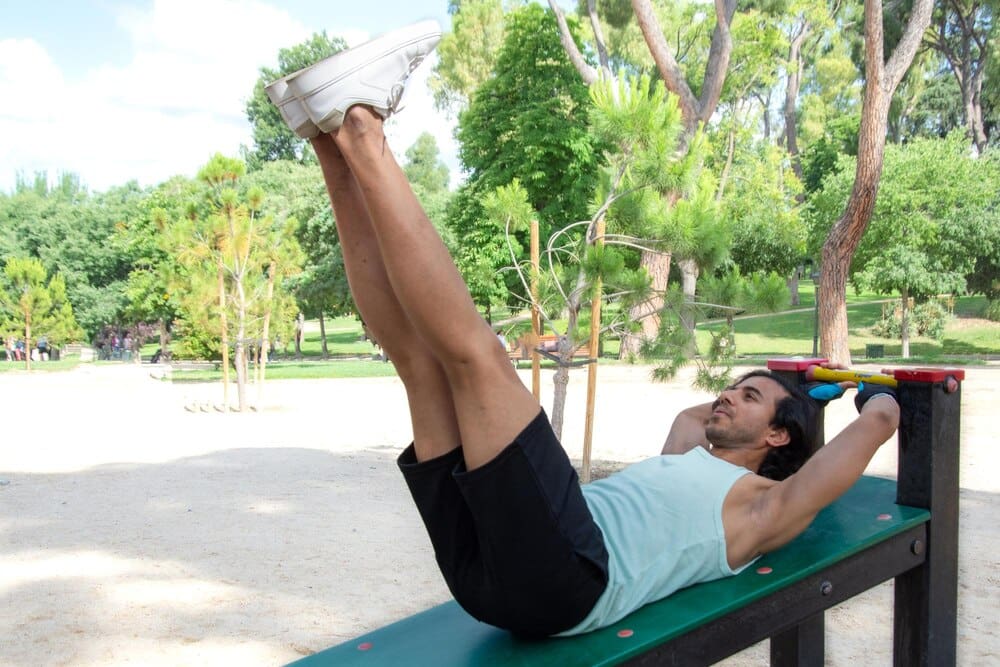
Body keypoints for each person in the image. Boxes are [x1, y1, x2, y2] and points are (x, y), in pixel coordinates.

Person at [266, 21, 901, 638]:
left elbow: (831, 469)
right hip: (491, 576)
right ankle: (331, 142)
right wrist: (790, 387)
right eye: (733, 387)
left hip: (568, 575)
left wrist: (877, 407)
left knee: (478, 358)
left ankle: (362, 124)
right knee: (417, 361)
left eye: (749, 396)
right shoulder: (684, 453)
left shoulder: (760, 506)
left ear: (777, 434)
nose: (728, 394)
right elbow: (692, 418)